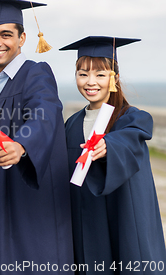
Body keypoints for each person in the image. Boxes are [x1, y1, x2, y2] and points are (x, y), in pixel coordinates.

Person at [0, 0, 73, 273]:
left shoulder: (37, 74)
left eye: (6, 35)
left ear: (22, 38)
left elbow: (45, 113)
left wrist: (22, 144)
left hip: (25, 199)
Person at [60, 36, 166, 274]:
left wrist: (108, 146)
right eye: (83, 73)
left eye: (100, 74)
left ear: (114, 79)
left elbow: (130, 139)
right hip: (85, 224)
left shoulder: (131, 118)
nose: (90, 82)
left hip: (121, 221)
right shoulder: (71, 124)